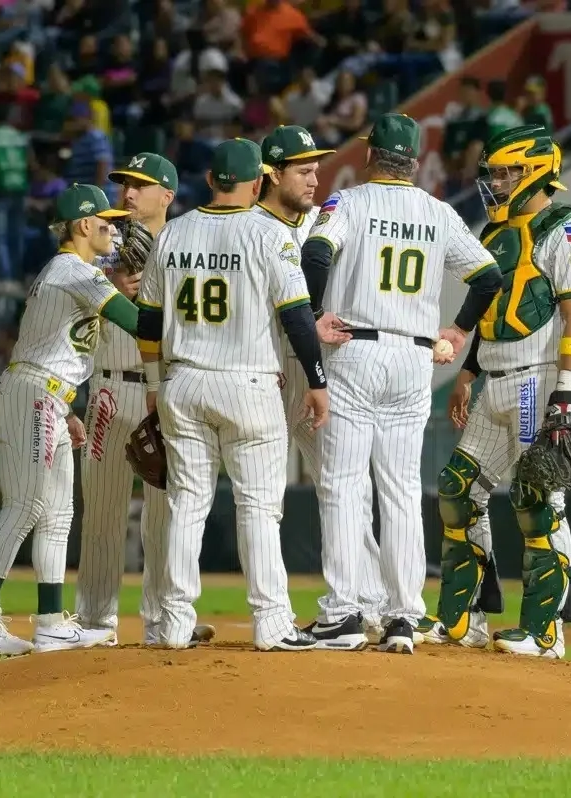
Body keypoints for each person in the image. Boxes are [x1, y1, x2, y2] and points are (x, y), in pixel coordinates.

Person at [298, 113, 502, 654]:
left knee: (343, 484)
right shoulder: (438, 212)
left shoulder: (348, 202)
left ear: (370, 156)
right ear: (413, 161)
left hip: (354, 348)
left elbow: (315, 254)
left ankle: (344, 613)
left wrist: (314, 312)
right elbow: (487, 276)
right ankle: (404, 618)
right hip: (413, 357)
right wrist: (458, 332)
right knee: (402, 489)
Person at [136, 138, 328, 652]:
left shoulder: (172, 233)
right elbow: (297, 318)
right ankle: (272, 623)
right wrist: (317, 381)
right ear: (259, 181)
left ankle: (173, 624)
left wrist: (154, 386)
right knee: (259, 508)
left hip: (183, 381)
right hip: (247, 381)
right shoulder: (269, 233)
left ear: (209, 180)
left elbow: (149, 321)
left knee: (185, 505)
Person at [420, 125, 571, 658]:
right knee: (456, 490)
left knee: (536, 497)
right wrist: (468, 375)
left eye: (505, 172)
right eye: (493, 172)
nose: (495, 182)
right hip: (496, 379)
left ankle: (546, 633)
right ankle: (462, 622)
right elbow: (494, 314)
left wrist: (565, 395)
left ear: (536, 171)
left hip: (536, 384)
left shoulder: (568, 234)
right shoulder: (495, 232)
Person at [0, 183, 146, 656]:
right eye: (107, 221)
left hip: (49, 396)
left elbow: (67, 344)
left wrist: (69, 406)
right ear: (83, 225)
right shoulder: (73, 272)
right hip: (32, 394)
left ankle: (50, 623)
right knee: (24, 506)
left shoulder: (75, 273)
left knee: (58, 515)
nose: (115, 229)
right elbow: (144, 325)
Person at [255, 124, 388, 650]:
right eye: (303, 169)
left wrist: (321, 321)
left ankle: (369, 605)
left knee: (343, 486)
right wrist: (309, 317)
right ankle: (276, 615)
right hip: (261, 370)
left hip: (313, 369)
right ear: (272, 173)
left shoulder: (323, 220)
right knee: (265, 497)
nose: (315, 178)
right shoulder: (248, 225)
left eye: (317, 168)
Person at [73, 152, 213, 647]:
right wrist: (106, 288)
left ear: (167, 196)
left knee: (166, 517)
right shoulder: (100, 247)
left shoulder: (187, 246)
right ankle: (93, 623)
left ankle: (163, 620)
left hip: (167, 392)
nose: (128, 193)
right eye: (124, 184)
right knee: (104, 515)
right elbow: (67, 313)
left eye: (140, 185)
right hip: (109, 387)